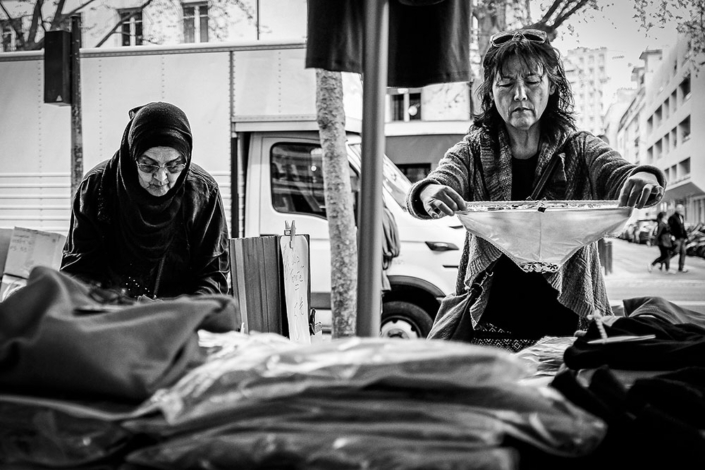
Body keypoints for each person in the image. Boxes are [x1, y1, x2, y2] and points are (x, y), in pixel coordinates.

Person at [406, 29, 666, 351]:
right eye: (506, 83)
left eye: (531, 81)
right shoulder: (474, 151)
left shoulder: (579, 148)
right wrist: (429, 193)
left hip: (570, 333)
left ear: (552, 86)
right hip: (488, 330)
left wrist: (645, 178)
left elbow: (622, 173)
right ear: (490, 91)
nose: (519, 94)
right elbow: (438, 182)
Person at [61, 102, 230, 299]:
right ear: (131, 157)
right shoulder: (96, 187)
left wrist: (180, 310)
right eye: (148, 165)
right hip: (111, 311)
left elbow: (213, 275)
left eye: (174, 166)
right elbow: (77, 271)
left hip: (180, 313)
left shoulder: (202, 193)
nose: (161, 177)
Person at [668, 203, 689, 273]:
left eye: (681, 208)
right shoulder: (672, 217)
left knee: (683, 252)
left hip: (682, 238)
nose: (680, 209)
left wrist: (686, 236)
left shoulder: (682, 216)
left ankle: (681, 267)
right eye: (678, 208)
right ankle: (665, 260)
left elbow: (683, 228)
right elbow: (669, 227)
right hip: (677, 238)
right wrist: (672, 235)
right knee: (675, 252)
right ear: (676, 209)